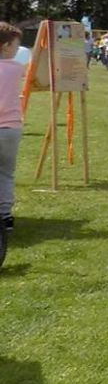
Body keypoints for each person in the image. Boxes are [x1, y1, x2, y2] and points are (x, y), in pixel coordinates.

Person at [0, 23, 25, 239]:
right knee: (6, 173)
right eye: (16, 45)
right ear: (6, 45)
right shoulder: (17, 68)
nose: (19, 49)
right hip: (11, 129)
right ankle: (6, 215)